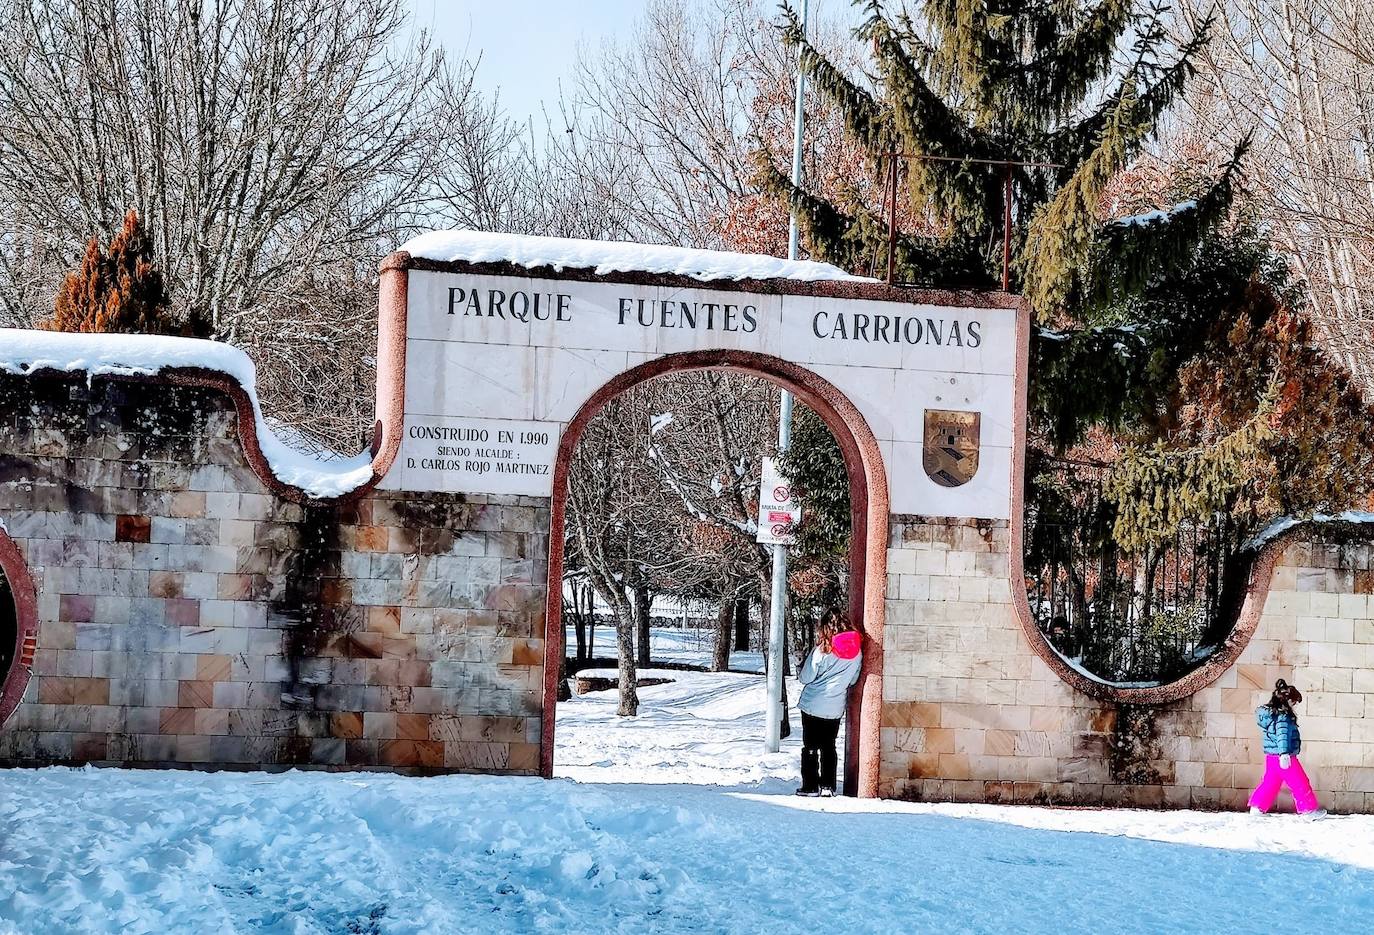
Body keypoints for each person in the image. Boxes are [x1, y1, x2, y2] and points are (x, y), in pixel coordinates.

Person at [795, 612, 862, 798]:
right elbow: (854, 679)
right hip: (835, 706)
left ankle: (810, 786)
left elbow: (806, 677)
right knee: (829, 746)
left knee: (810, 745)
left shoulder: (822, 650)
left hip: (813, 704)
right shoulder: (857, 652)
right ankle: (828, 786)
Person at [1248, 679, 1326, 818]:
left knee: (1271, 783)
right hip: (1284, 756)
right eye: (1294, 702)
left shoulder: (1272, 715)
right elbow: (1282, 735)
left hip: (1272, 756)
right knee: (1300, 782)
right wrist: (1284, 753)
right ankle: (1308, 810)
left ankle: (1257, 807)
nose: (1294, 705)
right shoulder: (1283, 716)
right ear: (1288, 700)